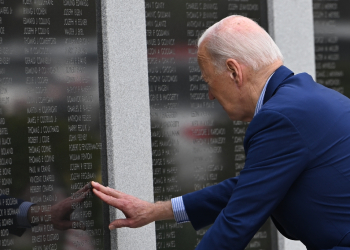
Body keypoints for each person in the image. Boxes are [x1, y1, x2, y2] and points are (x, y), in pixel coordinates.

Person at [92, 15, 350, 250]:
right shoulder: (306, 98)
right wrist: (154, 211)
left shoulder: (281, 117)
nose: (210, 94)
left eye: (208, 80)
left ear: (234, 71)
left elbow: (239, 219)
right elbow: (252, 185)